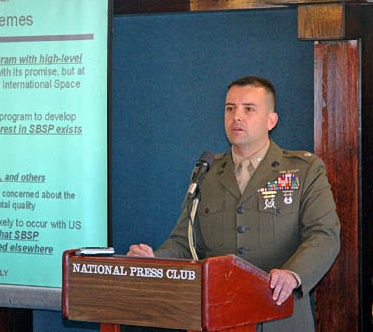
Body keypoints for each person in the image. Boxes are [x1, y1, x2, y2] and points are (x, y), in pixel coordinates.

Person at [128, 76, 340, 331]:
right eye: (230, 109)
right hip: (219, 316)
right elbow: (185, 243)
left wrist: (293, 274)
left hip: (281, 314)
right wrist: (155, 261)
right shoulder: (206, 172)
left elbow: (324, 235)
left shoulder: (303, 170)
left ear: (271, 120)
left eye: (248, 109)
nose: (236, 116)